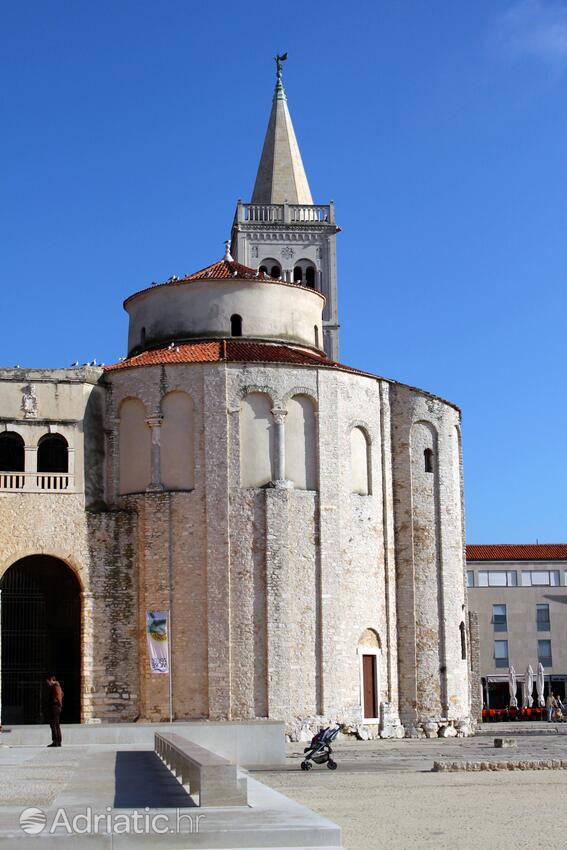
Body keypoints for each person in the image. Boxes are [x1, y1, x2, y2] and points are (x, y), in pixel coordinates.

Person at [46, 674, 64, 747]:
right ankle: (58, 741)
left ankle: (55, 741)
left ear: (51, 680)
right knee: (56, 724)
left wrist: (59, 703)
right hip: (56, 707)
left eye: (48, 681)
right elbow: (62, 694)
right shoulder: (58, 686)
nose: (47, 683)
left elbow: (58, 695)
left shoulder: (55, 686)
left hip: (55, 707)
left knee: (53, 724)